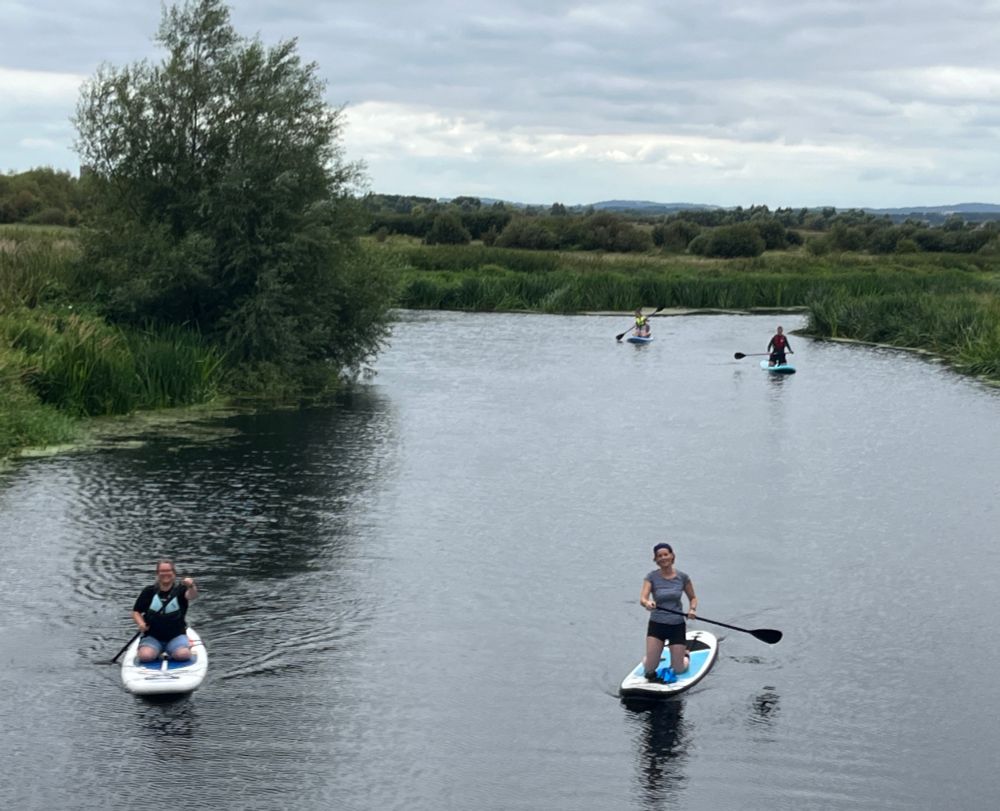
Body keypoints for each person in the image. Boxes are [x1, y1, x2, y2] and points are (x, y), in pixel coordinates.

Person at [639, 542, 697, 683]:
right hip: (657, 625)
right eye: (659, 556)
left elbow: (693, 598)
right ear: (656, 559)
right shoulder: (651, 577)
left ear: (672, 556)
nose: (663, 558)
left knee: (679, 669)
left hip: (676, 625)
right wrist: (648, 603)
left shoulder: (683, 577)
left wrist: (692, 609)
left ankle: (685, 655)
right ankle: (650, 658)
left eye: (666, 554)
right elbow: (643, 598)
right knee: (649, 669)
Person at [131, 559, 198, 662]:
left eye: (168, 571)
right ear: (157, 574)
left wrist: (191, 585)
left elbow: (192, 595)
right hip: (152, 636)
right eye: (162, 571)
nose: (165, 574)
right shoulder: (148, 591)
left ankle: (178, 649)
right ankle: (153, 650)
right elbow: (136, 612)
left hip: (176, 635)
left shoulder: (181, 590)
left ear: (174, 573)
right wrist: (141, 623)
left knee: (183, 655)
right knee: (145, 656)